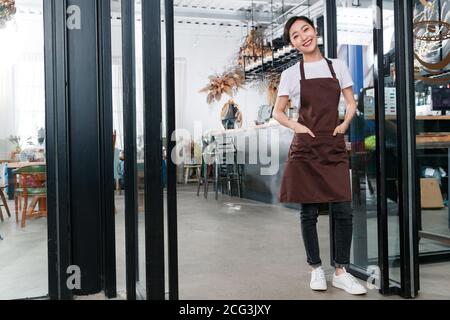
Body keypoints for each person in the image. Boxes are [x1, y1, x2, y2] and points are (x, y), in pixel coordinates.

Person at [273, 16, 367, 295]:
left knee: (343, 210)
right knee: (309, 211)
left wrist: (344, 125)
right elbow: (277, 112)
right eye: (295, 35)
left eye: (306, 30)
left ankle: (341, 271)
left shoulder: (337, 66)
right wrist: (296, 125)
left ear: (315, 32)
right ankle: (316, 269)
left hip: (334, 142)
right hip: (306, 145)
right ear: (293, 44)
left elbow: (351, 103)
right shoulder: (291, 73)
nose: (303, 37)